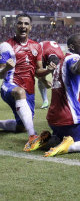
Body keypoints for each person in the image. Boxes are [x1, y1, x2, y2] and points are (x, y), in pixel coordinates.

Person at [0, 14, 56, 150]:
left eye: (26, 24)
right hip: (10, 87)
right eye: (20, 23)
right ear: (15, 26)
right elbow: (1, 74)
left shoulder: (36, 46)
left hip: (29, 91)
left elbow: (37, 71)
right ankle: (33, 137)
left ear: (30, 27)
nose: (23, 26)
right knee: (19, 92)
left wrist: (47, 72)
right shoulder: (6, 46)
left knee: (22, 126)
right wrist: (7, 67)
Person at [38, 40, 65, 109]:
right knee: (41, 78)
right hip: (43, 50)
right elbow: (37, 72)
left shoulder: (62, 58)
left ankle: (59, 101)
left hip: (51, 53)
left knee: (58, 81)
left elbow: (59, 79)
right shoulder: (40, 54)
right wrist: (44, 81)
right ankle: (45, 101)